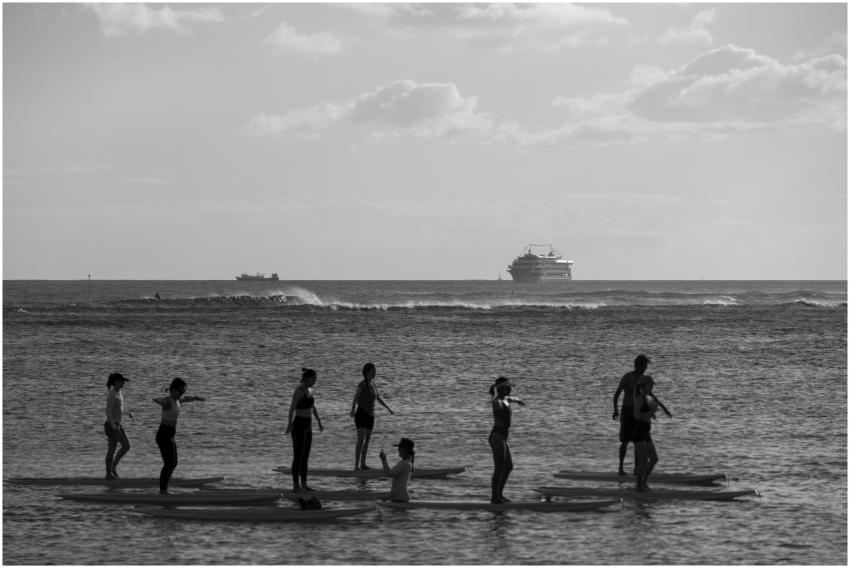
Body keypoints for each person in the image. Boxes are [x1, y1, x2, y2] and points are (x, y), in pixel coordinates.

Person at [152, 378, 205, 494]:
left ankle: (164, 488)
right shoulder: (168, 400)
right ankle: (162, 490)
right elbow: (163, 401)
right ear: (173, 390)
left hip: (170, 435)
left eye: (183, 391)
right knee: (169, 463)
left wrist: (195, 398)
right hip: (163, 435)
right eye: (180, 391)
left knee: (174, 463)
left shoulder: (177, 400)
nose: (182, 394)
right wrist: (158, 401)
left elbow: (185, 399)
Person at [350, 362, 394, 470]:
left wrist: (388, 408)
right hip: (361, 414)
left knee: (367, 439)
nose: (375, 373)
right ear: (367, 372)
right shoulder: (362, 384)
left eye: (375, 371)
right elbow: (356, 398)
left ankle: (363, 464)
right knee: (361, 440)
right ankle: (356, 465)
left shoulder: (373, 384)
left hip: (371, 415)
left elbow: (378, 398)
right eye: (373, 371)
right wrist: (352, 410)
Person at [286, 368, 324, 492]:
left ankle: (304, 484)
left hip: (308, 425)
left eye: (315, 380)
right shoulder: (299, 391)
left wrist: (319, 421)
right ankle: (295, 485)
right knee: (298, 456)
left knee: (305, 456)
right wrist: (289, 424)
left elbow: (313, 407)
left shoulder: (310, 390)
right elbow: (292, 408)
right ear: (306, 379)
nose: (314, 382)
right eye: (313, 379)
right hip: (298, 425)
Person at [489, 376, 524, 504]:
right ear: (503, 388)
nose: (511, 389)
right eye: (509, 387)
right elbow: (496, 404)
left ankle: (499, 495)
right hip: (497, 437)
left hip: (503, 438)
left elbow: (512, 398)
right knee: (499, 468)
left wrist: (519, 400)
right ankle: (494, 498)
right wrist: (497, 406)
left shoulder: (507, 399)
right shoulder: (498, 402)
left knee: (508, 467)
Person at [612, 354, 650, 475]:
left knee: (638, 441)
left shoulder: (644, 379)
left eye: (646, 366)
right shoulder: (627, 377)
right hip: (627, 412)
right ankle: (621, 469)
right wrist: (615, 410)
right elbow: (616, 395)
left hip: (638, 413)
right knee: (625, 440)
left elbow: (647, 397)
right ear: (637, 365)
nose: (645, 368)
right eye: (643, 366)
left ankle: (636, 470)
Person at [633, 375, 661, 491]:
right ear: (644, 386)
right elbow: (637, 416)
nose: (652, 387)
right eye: (650, 385)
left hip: (646, 432)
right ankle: (639, 486)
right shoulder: (639, 398)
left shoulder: (648, 398)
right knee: (644, 461)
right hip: (638, 432)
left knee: (654, 459)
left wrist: (652, 413)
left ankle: (643, 482)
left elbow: (648, 413)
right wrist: (651, 411)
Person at [104, 372, 133, 479]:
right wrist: (114, 427)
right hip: (111, 425)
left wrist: (127, 412)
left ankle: (112, 468)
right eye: (122, 381)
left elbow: (119, 409)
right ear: (116, 382)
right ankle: (108, 474)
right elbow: (108, 411)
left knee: (126, 445)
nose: (123, 383)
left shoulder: (119, 393)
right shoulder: (112, 394)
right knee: (111, 449)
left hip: (117, 424)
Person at [379, 437, 415, 503]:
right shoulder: (402, 462)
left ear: (406, 449)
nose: (398, 450)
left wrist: (384, 460)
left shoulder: (406, 464)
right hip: (397, 498)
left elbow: (389, 474)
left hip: (401, 499)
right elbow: (390, 473)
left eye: (400, 448)